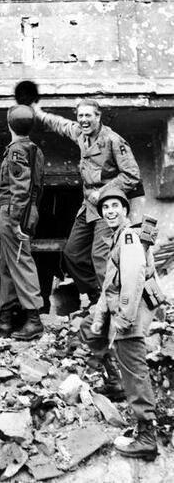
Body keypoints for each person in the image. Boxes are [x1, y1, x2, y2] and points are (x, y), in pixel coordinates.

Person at [33, 99, 141, 303]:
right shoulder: (81, 134)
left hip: (107, 206)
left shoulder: (113, 140)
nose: (83, 120)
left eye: (88, 115)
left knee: (100, 256)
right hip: (88, 205)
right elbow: (61, 125)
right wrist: (39, 113)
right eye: (80, 115)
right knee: (72, 253)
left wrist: (103, 193)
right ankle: (96, 296)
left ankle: (114, 304)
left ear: (98, 117)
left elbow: (132, 175)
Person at [81, 187, 159, 461]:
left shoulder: (128, 237)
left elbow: (133, 278)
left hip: (132, 311)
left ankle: (147, 436)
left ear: (125, 209)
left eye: (115, 206)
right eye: (105, 207)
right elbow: (109, 285)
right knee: (88, 329)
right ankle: (114, 381)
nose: (110, 211)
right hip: (122, 309)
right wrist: (99, 318)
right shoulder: (116, 237)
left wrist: (123, 318)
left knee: (135, 371)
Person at [0, 105, 45, 340]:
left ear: (9, 125)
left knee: (20, 261)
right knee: (7, 263)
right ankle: (6, 318)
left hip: (13, 210)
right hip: (26, 209)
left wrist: (16, 219)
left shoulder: (17, 150)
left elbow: (20, 187)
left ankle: (34, 320)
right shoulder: (33, 149)